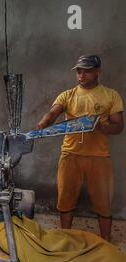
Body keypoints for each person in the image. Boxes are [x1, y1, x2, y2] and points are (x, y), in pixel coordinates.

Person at [36, 54, 124, 241]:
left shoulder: (111, 95)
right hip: (70, 154)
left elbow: (119, 126)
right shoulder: (68, 95)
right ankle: (66, 238)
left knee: (103, 202)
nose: (81, 75)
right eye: (79, 71)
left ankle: (105, 241)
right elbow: (53, 113)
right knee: (65, 200)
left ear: (98, 72)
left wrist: (100, 126)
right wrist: (43, 124)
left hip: (99, 156)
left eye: (87, 71)